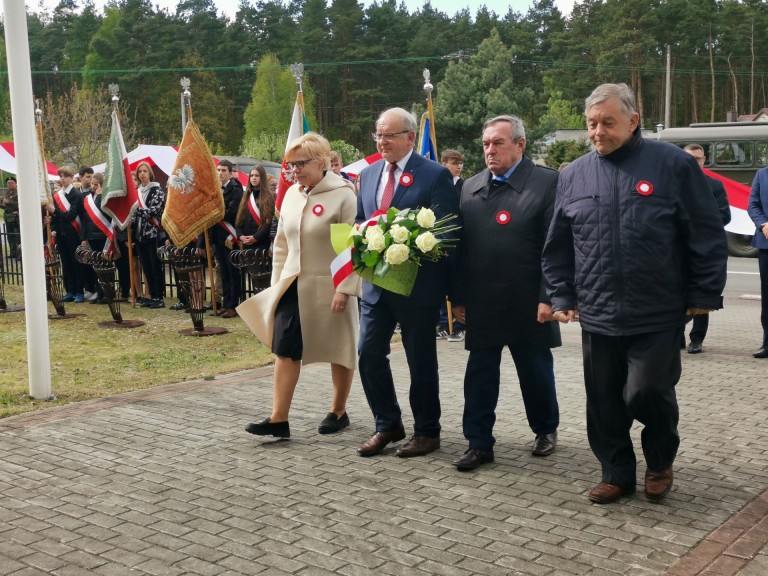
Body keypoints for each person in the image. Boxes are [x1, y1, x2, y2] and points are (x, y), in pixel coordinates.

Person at [542, 83, 728, 504]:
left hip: (658, 309)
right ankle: (616, 472)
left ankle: (660, 461)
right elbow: (556, 246)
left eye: (608, 122)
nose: (598, 132)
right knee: (604, 402)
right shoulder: (573, 174)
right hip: (598, 311)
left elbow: (704, 233)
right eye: (591, 124)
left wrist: (704, 292)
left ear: (633, 120)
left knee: (645, 391)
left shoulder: (674, 165)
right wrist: (562, 296)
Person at [451, 115, 561, 471]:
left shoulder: (547, 183)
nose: (489, 150)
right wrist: (459, 297)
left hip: (529, 301)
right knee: (479, 374)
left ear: (520, 144)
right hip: (483, 301)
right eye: (485, 144)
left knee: (535, 371)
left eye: (498, 142)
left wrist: (549, 296)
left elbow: (555, 247)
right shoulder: (470, 187)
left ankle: (545, 429)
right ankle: (479, 443)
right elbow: (462, 248)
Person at [355, 107, 458, 458]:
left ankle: (428, 432)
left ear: (410, 137)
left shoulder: (434, 175)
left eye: (389, 135)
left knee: (420, 361)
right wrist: (362, 234)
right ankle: (387, 424)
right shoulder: (368, 175)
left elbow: (446, 232)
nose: (381, 141)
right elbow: (360, 219)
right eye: (378, 135)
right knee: (368, 353)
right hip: (376, 287)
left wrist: (411, 243)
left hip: (417, 288)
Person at [242, 132, 359, 438]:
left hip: (330, 285)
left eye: (300, 163)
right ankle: (279, 418)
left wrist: (345, 289)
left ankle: (338, 410)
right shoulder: (292, 194)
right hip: (292, 283)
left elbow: (349, 247)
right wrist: (276, 286)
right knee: (285, 347)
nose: (293, 170)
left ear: (321, 162)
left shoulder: (343, 194)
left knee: (339, 346)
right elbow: (281, 244)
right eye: (290, 164)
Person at [682, 144, 732, 354]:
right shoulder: (672, 183)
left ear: (704, 160)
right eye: (690, 159)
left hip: (703, 248)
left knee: (701, 292)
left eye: (698, 159)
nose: (694, 162)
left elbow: (725, 216)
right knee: (675, 292)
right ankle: (675, 336)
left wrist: (698, 223)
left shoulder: (715, 186)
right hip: (677, 248)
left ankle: (697, 339)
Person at [201, 159, 244, 318]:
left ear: (230, 172)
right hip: (217, 236)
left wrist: (215, 212)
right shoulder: (215, 189)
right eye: (218, 170)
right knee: (224, 272)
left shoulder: (236, 189)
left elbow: (232, 212)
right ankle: (226, 304)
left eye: (224, 170)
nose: (220, 173)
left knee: (233, 272)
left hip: (230, 236)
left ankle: (233, 305)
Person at [437, 149, 466, 342]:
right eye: (454, 163)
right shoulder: (437, 183)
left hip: (459, 241)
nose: (459, 167)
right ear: (444, 163)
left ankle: (459, 325)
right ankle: (443, 323)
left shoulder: (465, 186)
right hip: (440, 241)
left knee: (458, 284)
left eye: (460, 163)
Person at [134, 161, 167, 309]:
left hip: (153, 233)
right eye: (139, 171)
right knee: (146, 267)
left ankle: (159, 297)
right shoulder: (137, 191)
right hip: (140, 234)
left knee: (155, 266)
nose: (142, 174)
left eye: (145, 171)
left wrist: (135, 210)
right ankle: (152, 295)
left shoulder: (157, 190)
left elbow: (154, 211)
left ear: (150, 173)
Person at [51, 167, 85, 302]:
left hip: (73, 233)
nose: (62, 178)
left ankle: (79, 291)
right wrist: (52, 223)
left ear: (71, 178)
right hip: (61, 234)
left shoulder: (76, 195)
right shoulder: (58, 195)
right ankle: (70, 290)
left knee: (75, 262)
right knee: (65, 263)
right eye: (61, 176)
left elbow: (70, 216)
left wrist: (54, 210)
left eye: (65, 176)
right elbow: (55, 217)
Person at [748, 166, 768, 358]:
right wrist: (763, 224)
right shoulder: (762, 174)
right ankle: (767, 343)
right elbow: (753, 204)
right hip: (767, 244)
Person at [236, 165, 275, 251]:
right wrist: (240, 236)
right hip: (246, 243)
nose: (253, 178)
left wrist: (255, 237)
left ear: (262, 177)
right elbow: (239, 220)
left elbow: (268, 223)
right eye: (251, 175)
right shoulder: (246, 196)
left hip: (262, 244)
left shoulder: (269, 197)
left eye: (257, 175)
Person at [2, 176, 20, 258]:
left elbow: (20, 204)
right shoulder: (7, 193)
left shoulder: (19, 192)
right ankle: (12, 253)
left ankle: (19, 253)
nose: (10, 184)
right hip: (8, 216)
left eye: (11, 183)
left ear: (15, 183)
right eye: (8, 183)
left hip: (15, 217)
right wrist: (2, 203)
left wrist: (8, 202)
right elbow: (4, 205)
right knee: (10, 235)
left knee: (17, 235)